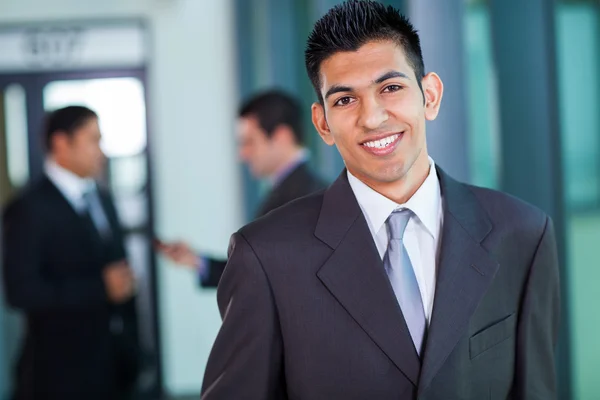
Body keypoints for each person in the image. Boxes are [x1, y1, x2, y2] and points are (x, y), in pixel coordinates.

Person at [200, 1, 560, 399]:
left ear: (430, 95)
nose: (372, 118)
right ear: (323, 124)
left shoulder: (523, 235)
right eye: (345, 100)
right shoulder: (265, 256)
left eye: (390, 88)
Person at [2, 106, 139, 400]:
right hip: (59, 373)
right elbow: (21, 292)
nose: (101, 151)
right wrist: (100, 288)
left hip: (112, 365)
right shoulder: (29, 208)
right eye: (93, 140)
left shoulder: (101, 197)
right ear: (61, 143)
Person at [156, 90, 327, 287]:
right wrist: (197, 261)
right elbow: (259, 269)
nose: (242, 154)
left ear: (281, 137)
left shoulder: (307, 198)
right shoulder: (294, 190)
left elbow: (269, 280)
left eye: (249, 142)